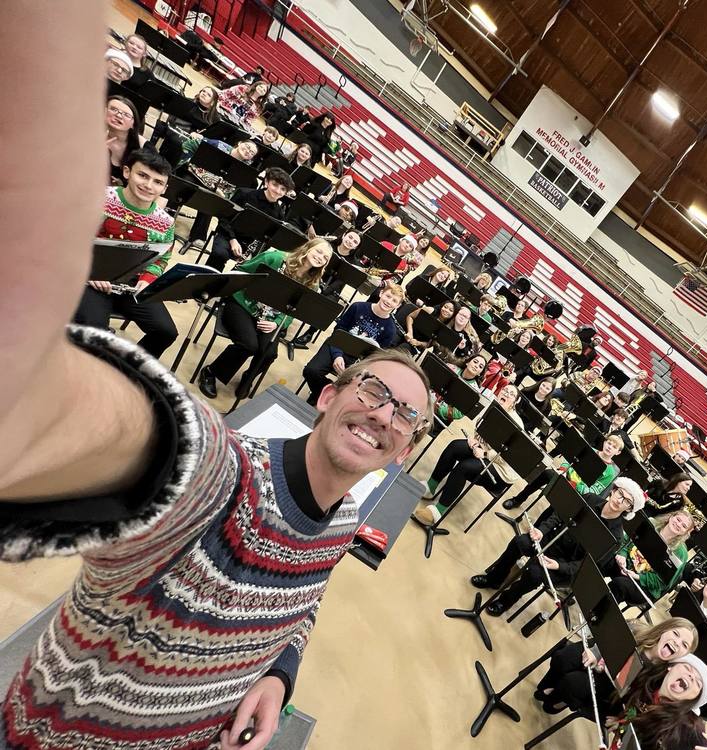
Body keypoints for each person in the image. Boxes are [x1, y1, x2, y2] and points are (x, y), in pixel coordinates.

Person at [2, 14, 435, 748]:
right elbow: (85, 425)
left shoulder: (337, 525)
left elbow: (301, 600)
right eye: (373, 391)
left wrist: (279, 675)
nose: (385, 415)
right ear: (327, 394)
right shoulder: (221, 473)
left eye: (405, 416)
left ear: (405, 450)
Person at [471, 477, 644, 616]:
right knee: (520, 542)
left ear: (629, 509)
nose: (620, 501)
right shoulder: (590, 499)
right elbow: (560, 515)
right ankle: (495, 578)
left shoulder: (616, 536)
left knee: (534, 573)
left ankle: (506, 600)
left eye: (627, 502)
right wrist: (542, 530)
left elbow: (588, 565)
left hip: (565, 565)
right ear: (613, 490)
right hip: (552, 540)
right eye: (620, 493)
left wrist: (559, 566)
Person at [74, 149, 178, 358]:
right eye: (143, 175)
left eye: (158, 182)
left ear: (165, 188)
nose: (149, 185)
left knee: (166, 332)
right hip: (89, 276)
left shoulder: (166, 222)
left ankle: (128, 367)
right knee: (96, 334)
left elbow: (161, 259)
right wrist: (92, 270)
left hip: (131, 283)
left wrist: (147, 280)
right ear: (127, 172)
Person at [198, 239, 332, 400]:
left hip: (270, 318)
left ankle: (248, 377)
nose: (320, 257)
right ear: (308, 248)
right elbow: (242, 272)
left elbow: (294, 311)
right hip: (242, 305)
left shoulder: (312, 284)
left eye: (325, 257)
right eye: (318, 251)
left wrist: (277, 323)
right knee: (249, 346)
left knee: (269, 354)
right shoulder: (275, 258)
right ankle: (211, 372)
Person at [536, 617, 698, 720]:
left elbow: (633, 703)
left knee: (572, 684)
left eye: (684, 645)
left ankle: (559, 698)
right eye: (675, 634)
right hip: (600, 659)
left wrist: (622, 719)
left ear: (685, 655)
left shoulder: (663, 675)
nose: (677, 643)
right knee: (564, 657)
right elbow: (608, 640)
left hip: (610, 687)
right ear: (664, 630)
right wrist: (595, 653)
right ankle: (550, 687)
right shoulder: (638, 629)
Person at [414, 383, 524, 526]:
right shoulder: (493, 407)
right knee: (454, 447)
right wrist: (474, 440)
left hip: (501, 470)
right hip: (483, 450)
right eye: (505, 390)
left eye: (511, 394)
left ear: (516, 402)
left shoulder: (517, 424)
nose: (506, 394)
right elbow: (479, 427)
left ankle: (438, 512)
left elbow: (509, 456)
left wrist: (485, 453)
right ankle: (430, 487)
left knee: (464, 468)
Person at [302, 283, 403, 405]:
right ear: (381, 293)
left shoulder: (390, 330)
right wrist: (337, 355)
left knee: (354, 391)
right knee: (310, 371)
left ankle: (318, 394)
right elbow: (338, 331)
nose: (389, 301)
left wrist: (356, 368)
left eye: (394, 300)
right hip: (336, 345)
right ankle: (326, 392)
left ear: (398, 305)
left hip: (357, 360)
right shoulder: (358, 307)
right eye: (387, 296)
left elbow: (375, 356)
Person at [606, 656, 707, 750]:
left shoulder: (690, 730)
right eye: (687, 668)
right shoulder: (647, 684)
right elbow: (632, 712)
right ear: (670, 667)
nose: (691, 676)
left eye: (698, 683)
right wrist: (621, 724)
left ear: (694, 698)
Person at [502, 434, 624, 510]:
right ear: (604, 442)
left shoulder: (610, 473)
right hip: (564, 476)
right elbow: (569, 462)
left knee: (561, 506)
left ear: (618, 452)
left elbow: (592, 491)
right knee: (547, 473)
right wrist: (563, 470)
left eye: (614, 447)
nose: (609, 447)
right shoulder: (589, 450)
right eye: (609, 443)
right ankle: (518, 499)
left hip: (576, 491)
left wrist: (574, 483)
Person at [207, 167, 294, 270]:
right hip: (228, 235)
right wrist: (232, 240)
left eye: (283, 189)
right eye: (275, 185)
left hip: (249, 245)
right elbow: (224, 218)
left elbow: (268, 239)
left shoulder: (279, 213)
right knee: (219, 254)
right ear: (266, 182)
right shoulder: (244, 194)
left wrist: (254, 255)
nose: (278, 191)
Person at [610, 510, 695, 606]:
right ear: (671, 517)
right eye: (678, 519)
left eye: (684, 526)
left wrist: (637, 576)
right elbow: (628, 538)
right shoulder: (651, 523)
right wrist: (622, 554)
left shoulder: (681, 553)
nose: (678, 525)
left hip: (644, 585)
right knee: (604, 559)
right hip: (626, 564)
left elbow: (662, 582)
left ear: (685, 533)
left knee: (619, 585)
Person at [431, 352, 489, 427]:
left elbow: (458, 413)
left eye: (480, 367)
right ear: (467, 362)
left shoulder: (475, 391)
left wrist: (437, 408)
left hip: (440, 419)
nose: (476, 366)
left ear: (480, 374)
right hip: (427, 401)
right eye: (475, 362)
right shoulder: (451, 368)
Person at [105, 95, 146, 184]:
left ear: (133, 124)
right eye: (113, 109)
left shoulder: (142, 145)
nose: (118, 115)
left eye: (126, 115)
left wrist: (122, 187)